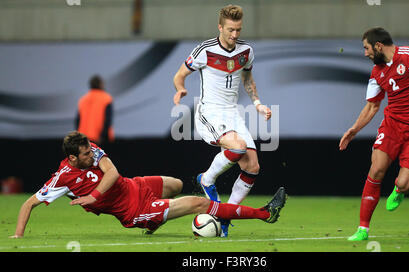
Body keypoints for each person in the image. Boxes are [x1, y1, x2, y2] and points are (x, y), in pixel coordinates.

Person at [9, 131, 286, 238]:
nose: (91, 154)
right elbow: (28, 203)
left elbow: (113, 173)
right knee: (199, 204)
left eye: (90, 150)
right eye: (84, 154)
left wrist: (93, 196)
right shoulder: (62, 178)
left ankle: (157, 221)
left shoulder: (90, 149)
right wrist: (18, 237)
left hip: (134, 186)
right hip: (134, 210)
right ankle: (265, 213)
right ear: (72, 157)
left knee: (177, 184)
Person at [172, 4, 272, 237]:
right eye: (230, 30)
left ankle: (225, 217)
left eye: (238, 30)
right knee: (237, 147)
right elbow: (179, 75)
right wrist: (180, 89)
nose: (235, 35)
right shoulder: (204, 50)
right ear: (220, 27)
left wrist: (257, 104)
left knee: (252, 166)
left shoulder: (246, 51)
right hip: (210, 112)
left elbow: (248, 78)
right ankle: (206, 179)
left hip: (233, 113)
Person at [339, 27, 409, 241]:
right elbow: (372, 106)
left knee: (405, 183)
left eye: (366, 48)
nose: (365, 53)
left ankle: (399, 190)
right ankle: (362, 229)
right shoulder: (377, 72)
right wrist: (354, 130)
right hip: (392, 126)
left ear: (378, 46)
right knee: (376, 169)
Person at [76, 75, 114, 145]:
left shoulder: (83, 99)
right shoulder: (106, 99)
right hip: (100, 138)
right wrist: (102, 136)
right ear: (101, 84)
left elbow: (78, 120)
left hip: (84, 139)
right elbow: (108, 119)